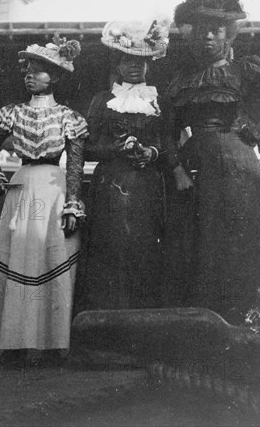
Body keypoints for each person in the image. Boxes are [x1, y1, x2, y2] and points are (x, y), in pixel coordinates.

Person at [162, 0, 260, 323]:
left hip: (238, 161)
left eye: (215, 30)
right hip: (196, 165)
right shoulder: (182, 79)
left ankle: (252, 316)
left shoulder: (245, 69)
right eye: (202, 30)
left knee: (243, 231)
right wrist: (176, 168)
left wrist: (258, 129)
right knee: (201, 235)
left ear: (227, 34)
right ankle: (205, 318)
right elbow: (167, 130)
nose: (207, 37)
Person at [0, 37, 88, 368]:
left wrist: (73, 202)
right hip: (21, 187)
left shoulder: (69, 117)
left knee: (52, 261)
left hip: (53, 190)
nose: (30, 75)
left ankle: (55, 346)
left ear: (53, 77)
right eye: (28, 70)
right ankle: (13, 346)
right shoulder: (12, 113)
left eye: (38, 71)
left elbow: (77, 164)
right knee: (19, 260)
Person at [76, 20, 174, 311]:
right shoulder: (102, 100)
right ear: (117, 64)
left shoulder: (159, 100)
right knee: (112, 246)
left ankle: (145, 318)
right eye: (127, 61)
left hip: (148, 185)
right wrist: (113, 149)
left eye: (140, 62)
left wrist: (152, 152)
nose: (134, 67)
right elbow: (86, 148)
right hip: (111, 184)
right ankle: (108, 316)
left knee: (145, 246)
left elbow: (168, 141)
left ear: (148, 66)